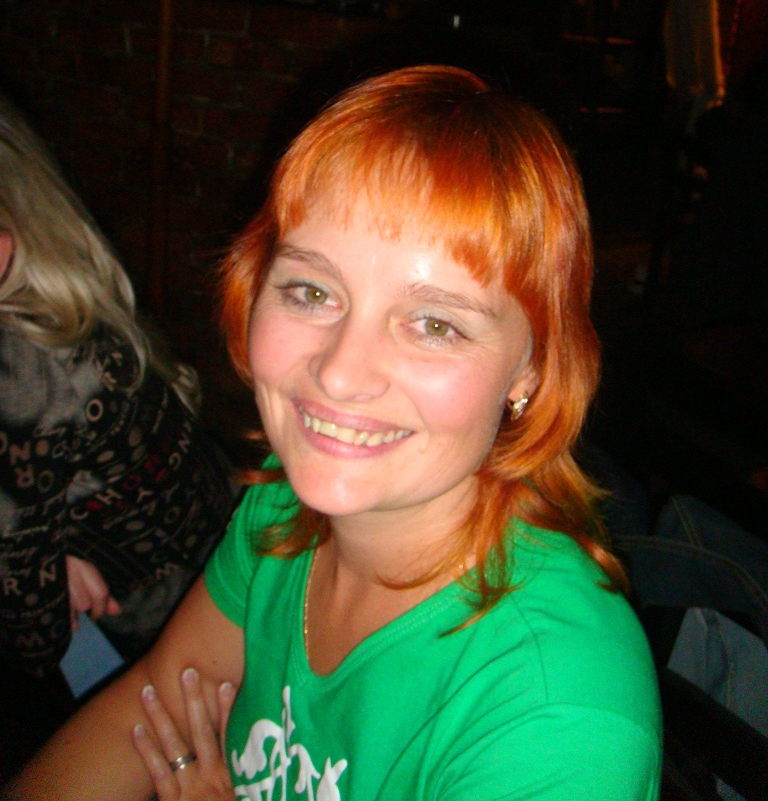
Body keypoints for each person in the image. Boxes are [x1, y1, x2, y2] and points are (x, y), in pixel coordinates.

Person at [5, 66, 662, 800]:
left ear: (531, 371)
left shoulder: (554, 715)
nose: (342, 374)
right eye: (312, 291)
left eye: (435, 324)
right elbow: (150, 708)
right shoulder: (283, 515)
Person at [0, 100, 236, 773]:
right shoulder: (63, 287)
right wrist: (49, 552)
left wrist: (39, 563)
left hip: (162, 647)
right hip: (213, 570)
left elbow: (34, 641)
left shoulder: (19, 367)